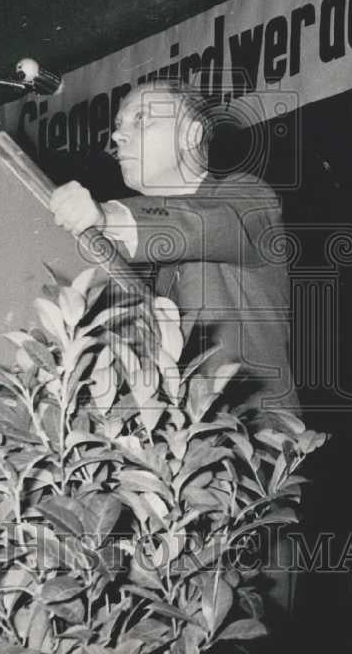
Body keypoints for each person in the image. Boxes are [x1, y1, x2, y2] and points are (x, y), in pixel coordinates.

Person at [48, 79, 300, 424]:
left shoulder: (247, 196)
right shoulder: (147, 255)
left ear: (191, 136)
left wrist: (107, 217)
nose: (118, 137)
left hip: (257, 450)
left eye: (141, 120)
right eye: (119, 126)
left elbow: (201, 223)